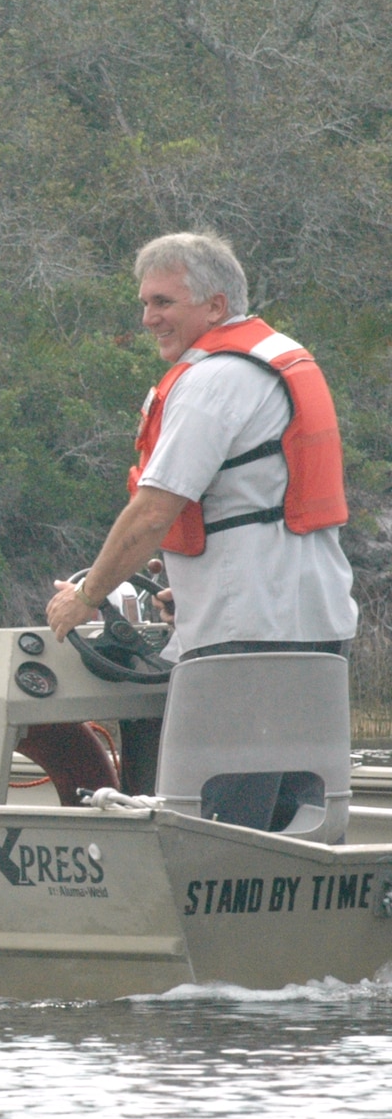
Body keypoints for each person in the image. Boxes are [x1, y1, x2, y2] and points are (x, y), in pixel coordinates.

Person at [46, 231, 357, 805]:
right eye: (144, 303)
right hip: (313, 625)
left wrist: (88, 595)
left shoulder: (213, 380)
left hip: (247, 634)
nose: (148, 318)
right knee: (294, 810)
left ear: (215, 305)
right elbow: (255, 503)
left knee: (229, 815)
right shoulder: (276, 357)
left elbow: (153, 512)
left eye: (163, 302)